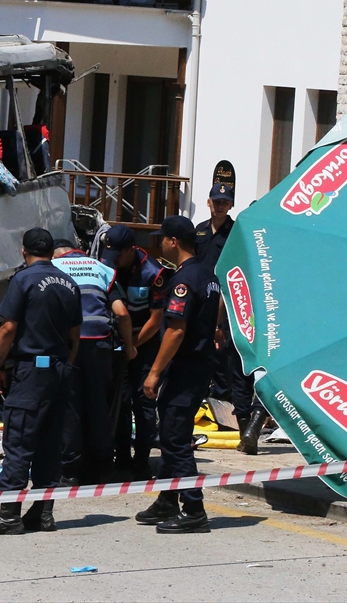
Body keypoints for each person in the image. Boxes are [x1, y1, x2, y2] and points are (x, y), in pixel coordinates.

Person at [0, 228, 82, 536]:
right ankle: (42, 513)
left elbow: (8, 328)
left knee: (20, 440)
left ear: (24, 252)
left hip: (32, 373)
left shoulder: (23, 280)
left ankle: (9, 514)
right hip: (60, 370)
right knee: (50, 443)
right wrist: (67, 365)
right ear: (51, 251)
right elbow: (76, 336)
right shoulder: (70, 283)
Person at [136, 216, 221, 534]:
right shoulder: (207, 274)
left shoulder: (183, 279)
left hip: (185, 368)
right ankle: (169, 499)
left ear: (173, 242)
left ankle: (193, 508)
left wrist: (154, 373)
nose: (160, 243)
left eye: (163, 238)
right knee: (172, 433)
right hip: (198, 366)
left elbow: (174, 331)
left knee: (174, 437)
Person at [52, 239, 131, 484]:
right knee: (98, 404)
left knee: (70, 405)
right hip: (99, 344)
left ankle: (70, 471)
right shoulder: (100, 268)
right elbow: (121, 313)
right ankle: (103, 466)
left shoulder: (53, 268)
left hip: (69, 344)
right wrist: (130, 347)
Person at [103, 225, 174, 480]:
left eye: (118, 256)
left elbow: (156, 320)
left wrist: (132, 345)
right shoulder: (108, 266)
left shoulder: (154, 272)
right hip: (120, 344)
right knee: (119, 404)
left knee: (144, 404)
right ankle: (121, 459)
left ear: (131, 250)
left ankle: (141, 462)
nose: (113, 262)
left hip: (146, 343)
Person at [197, 177, 261, 453]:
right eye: (217, 201)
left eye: (226, 202)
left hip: (231, 307)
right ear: (209, 202)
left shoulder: (236, 234)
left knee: (232, 364)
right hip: (199, 303)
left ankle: (238, 422)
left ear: (231, 205)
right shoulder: (198, 232)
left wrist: (223, 321)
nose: (220, 206)